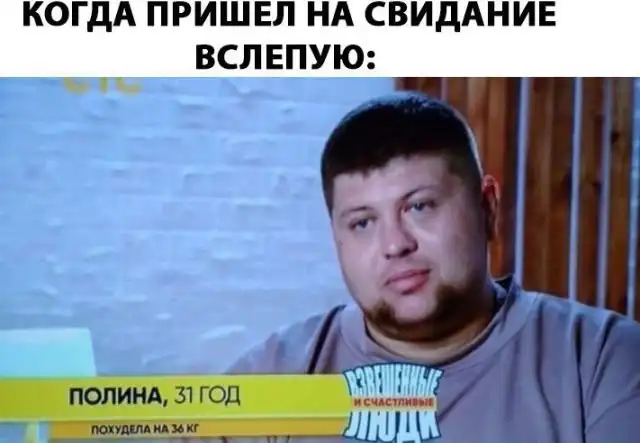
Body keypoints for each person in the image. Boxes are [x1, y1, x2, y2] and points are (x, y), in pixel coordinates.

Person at [195, 92, 640, 443]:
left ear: (487, 208)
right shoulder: (276, 374)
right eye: (363, 222)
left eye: (420, 206)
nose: (395, 244)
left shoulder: (602, 361)